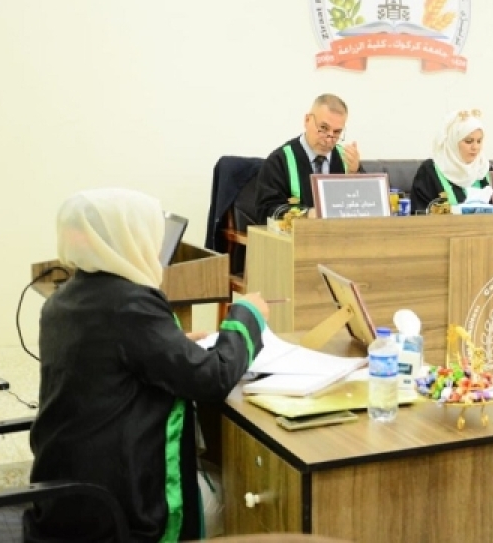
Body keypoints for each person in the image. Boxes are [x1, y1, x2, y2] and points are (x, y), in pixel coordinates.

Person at [25, 188, 269, 542]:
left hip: (65, 496)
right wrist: (246, 316)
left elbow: (111, 355)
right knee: (232, 498)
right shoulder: (130, 305)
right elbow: (212, 379)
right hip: (116, 509)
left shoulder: (65, 298)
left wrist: (171, 344)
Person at [254, 93, 362, 219]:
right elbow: (266, 210)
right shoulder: (279, 161)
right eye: (323, 128)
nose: (329, 139)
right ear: (307, 120)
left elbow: (366, 207)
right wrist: (306, 214)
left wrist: (355, 174)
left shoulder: (346, 160)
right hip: (298, 231)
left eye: (337, 132)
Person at [409, 109, 491, 213]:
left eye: (479, 141)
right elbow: (420, 214)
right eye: (468, 141)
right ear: (453, 141)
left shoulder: (482, 169)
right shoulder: (430, 171)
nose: (475, 147)